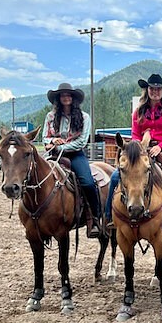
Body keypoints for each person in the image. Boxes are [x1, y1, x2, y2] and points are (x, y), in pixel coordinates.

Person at [105, 73, 162, 229]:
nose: (155, 92)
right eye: (152, 89)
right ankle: (108, 216)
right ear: (147, 90)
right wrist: (141, 147)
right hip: (141, 151)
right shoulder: (138, 111)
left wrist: (159, 146)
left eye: (158, 89)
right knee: (115, 177)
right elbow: (135, 134)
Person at [42, 82, 101, 238]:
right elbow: (45, 137)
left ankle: (94, 218)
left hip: (75, 155)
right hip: (53, 155)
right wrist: (52, 142)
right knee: (37, 177)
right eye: (62, 95)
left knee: (88, 182)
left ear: (73, 98)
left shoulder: (84, 117)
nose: (65, 97)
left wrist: (59, 147)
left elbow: (82, 141)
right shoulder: (50, 116)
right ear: (58, 98)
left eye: (68, 95)